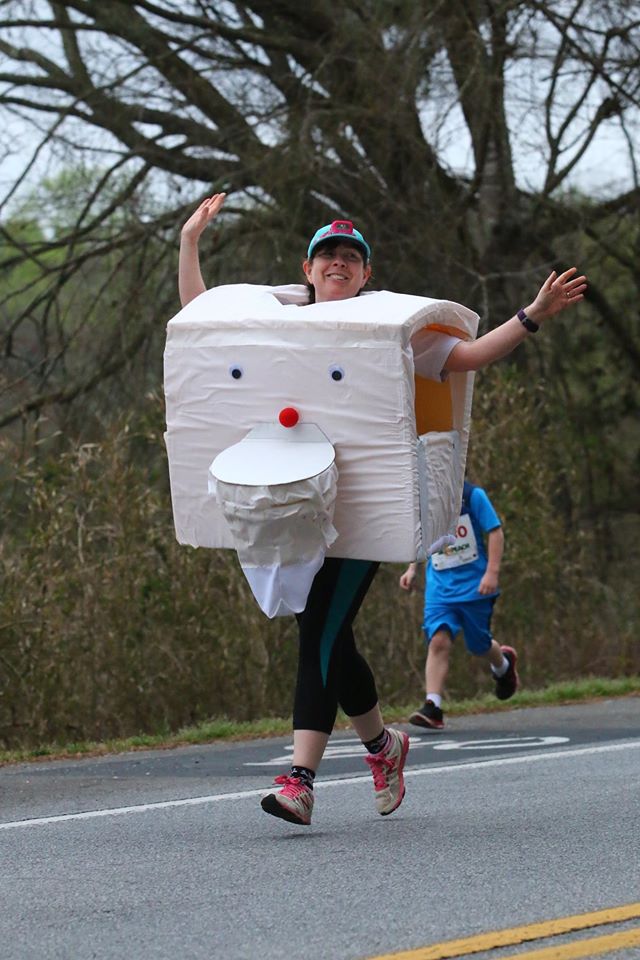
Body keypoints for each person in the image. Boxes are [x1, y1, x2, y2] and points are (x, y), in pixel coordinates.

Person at [178, 193, 587, 826]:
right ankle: (382, 746)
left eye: (351, 256)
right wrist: (189, 245)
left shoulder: (387, 329)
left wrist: (532, 315)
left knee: (318, 632)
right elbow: (200, 327)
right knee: (328, 638)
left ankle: (301, 779)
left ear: (366, 273)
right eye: (327, 255)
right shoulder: (273, 326)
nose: (338, 263)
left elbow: (469, 358)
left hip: (363, 509)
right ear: (308, 269)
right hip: (289, 507)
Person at [399, 480, 513, 730]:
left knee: (479, 645)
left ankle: (503, 664)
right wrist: (411, 569)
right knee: (438, 641)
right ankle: (433, 705)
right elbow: (420, 538)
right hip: (440, 590)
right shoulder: (424, 502)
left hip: (474, 587)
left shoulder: (472, 496)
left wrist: (492, 573)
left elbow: (495, 531)